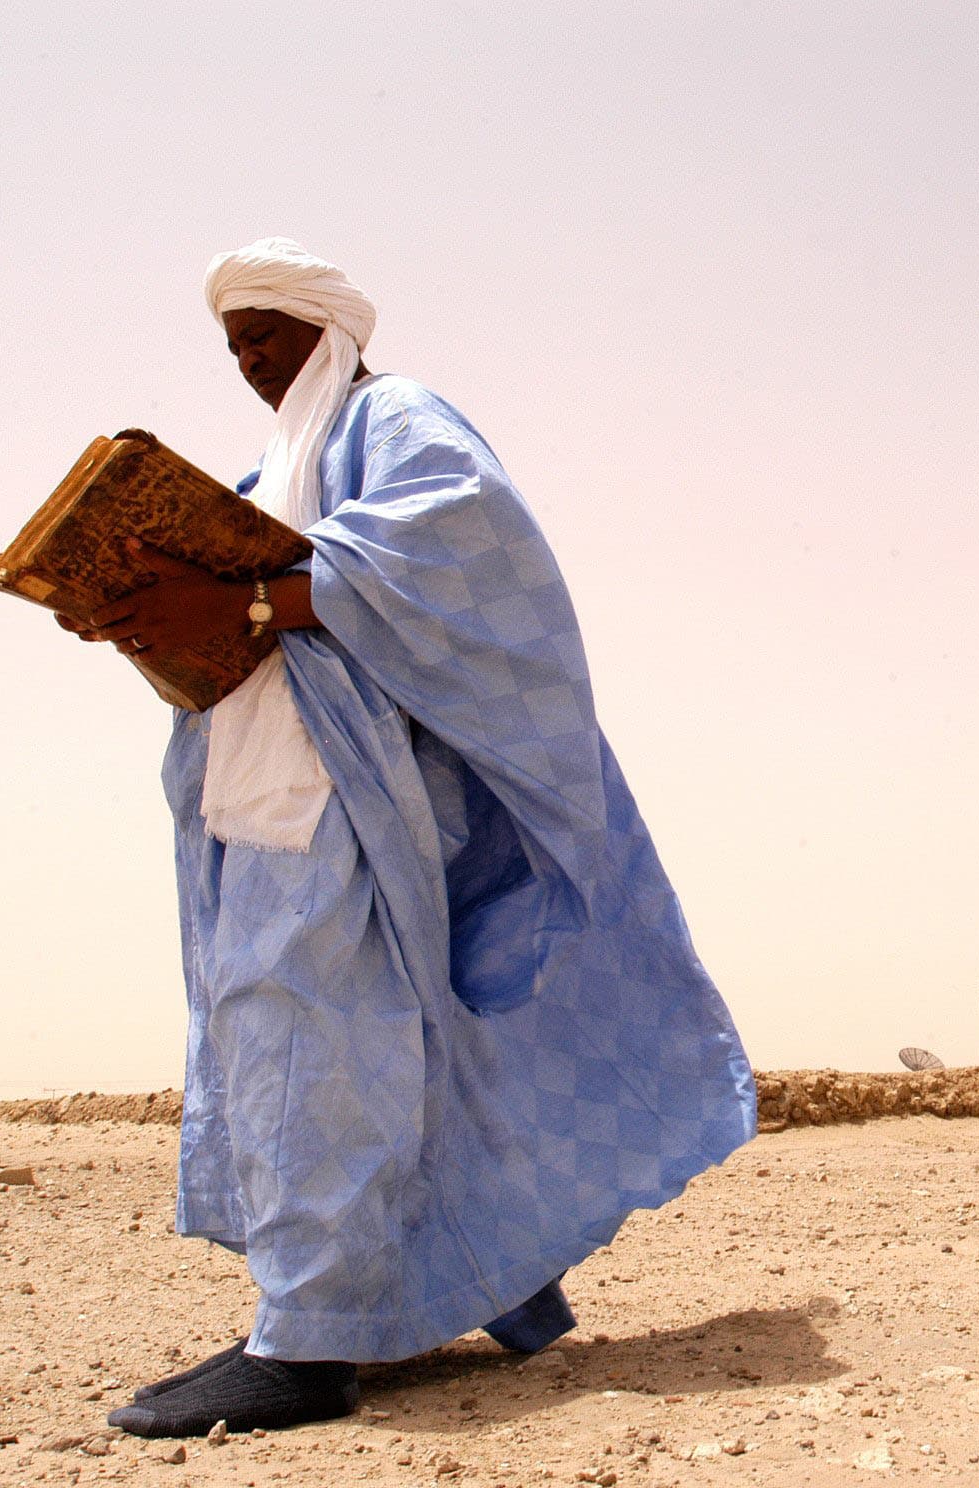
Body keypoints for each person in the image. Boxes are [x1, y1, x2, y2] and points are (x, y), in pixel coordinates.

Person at [60, 238, 757, 1437]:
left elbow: (465, 549)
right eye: (233, 348)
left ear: (327, 329)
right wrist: (135, 611)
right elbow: (258, 601)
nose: (250, 363)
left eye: (266, 338)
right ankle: (483, 1270)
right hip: (260, 787)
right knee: (376, 1042)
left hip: (350, 799)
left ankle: (308, 1345)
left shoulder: (396, 418)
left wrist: (246, 599)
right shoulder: (269, 467)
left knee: (305, 1039)